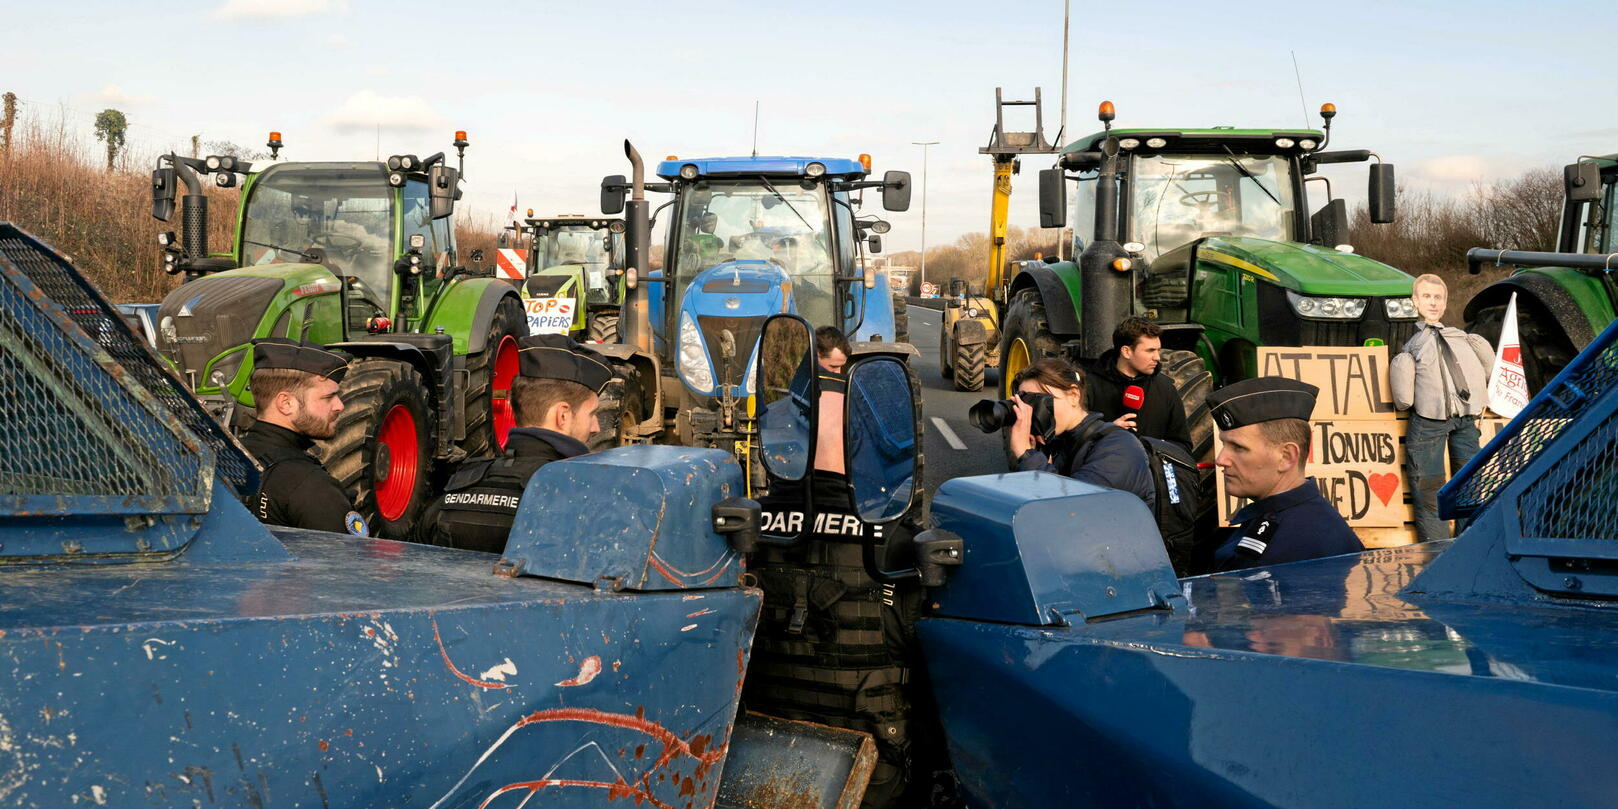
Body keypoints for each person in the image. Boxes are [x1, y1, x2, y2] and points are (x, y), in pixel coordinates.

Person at [422, 334, 614, 554]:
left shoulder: (457, 487)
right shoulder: (588, 499)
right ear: (563, 416)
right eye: (591, 414)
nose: (596, 427)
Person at [1207, 377, 1364, 572]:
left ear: (1287, 457)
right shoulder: (1311, 520)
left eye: (1238, 447)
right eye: (1224, 444)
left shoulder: (1284, 548)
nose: (1221, 459)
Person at [1390, 273, 1493, 543]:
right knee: (1428, 489)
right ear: (1415, 301)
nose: (1433, 303)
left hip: (1466, 419)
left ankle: (1467, 545)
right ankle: (1435, 552)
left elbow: (1487, 369)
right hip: (1429, 421)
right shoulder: (1411, 343)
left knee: (1470, 484)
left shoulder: (1462, 338)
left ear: (1445, 303)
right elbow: (1404, 398)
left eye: (1438, 298)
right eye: (1426, 297)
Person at [239, 338, 368, 536]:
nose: (339, 406)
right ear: (286, 403)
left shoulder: (230, 456)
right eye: (328, 397)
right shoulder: (312, 487)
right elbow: (350, 563)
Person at [1009, 357, 1157, 510]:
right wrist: (1036, 453)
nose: (1032, 412)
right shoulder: (1059, 442)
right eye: (1026, 404)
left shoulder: (1119, 448)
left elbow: (1073, 508)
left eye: (1039, 402)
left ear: (1074, 395)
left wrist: (1026, 455)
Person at [1086, 316, 1193, 453]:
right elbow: (1072, 442)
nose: (1157, 357)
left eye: (1158, 350)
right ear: (1126, 351)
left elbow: (1183, 445)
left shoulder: (1165, 388)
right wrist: (1106, 433)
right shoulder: (1089, 386)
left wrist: (1151, 448)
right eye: (1150, 351)